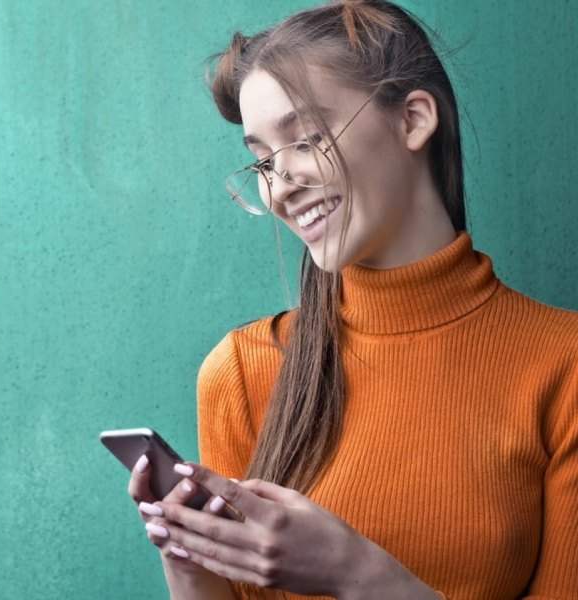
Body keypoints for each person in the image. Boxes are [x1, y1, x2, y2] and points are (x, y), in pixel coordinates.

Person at [128, 1, 578, 598]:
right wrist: (189, 558)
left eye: (308, 138)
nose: (281, 185)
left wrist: (358, 574)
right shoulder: (240, 372)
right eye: (262, 159)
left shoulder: (563, 366)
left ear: (413, 120)